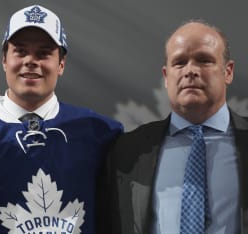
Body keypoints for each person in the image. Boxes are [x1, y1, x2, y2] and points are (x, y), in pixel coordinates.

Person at [0, 4, 123, 234]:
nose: (31, 60)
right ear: (4, 60)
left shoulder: (100, 133)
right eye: (20, 51)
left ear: (61, 64)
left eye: (44, 53)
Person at [103, 20, 248, 233]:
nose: (190, 70)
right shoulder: (127, 150)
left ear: (228, 71)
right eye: (179, 62)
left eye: (204, 60)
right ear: (166, 76)